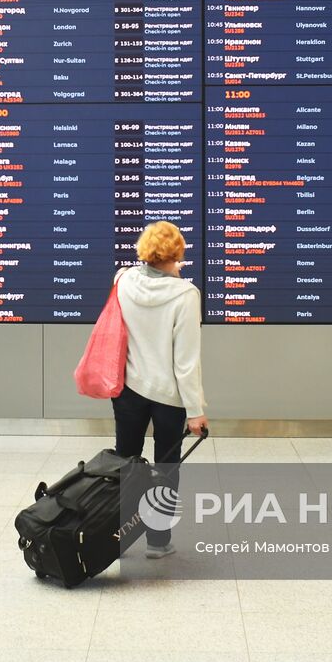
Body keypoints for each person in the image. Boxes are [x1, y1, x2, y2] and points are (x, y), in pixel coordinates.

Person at [112, 220, 206, 559]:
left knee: (125, 462)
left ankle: (116, 538)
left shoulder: (122, 280)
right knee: (166, 468)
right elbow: (186, 361)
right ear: (177, 253)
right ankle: (157, 541)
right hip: (169, 397)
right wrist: (195, 411)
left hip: (128, 390)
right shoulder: (186, 295)